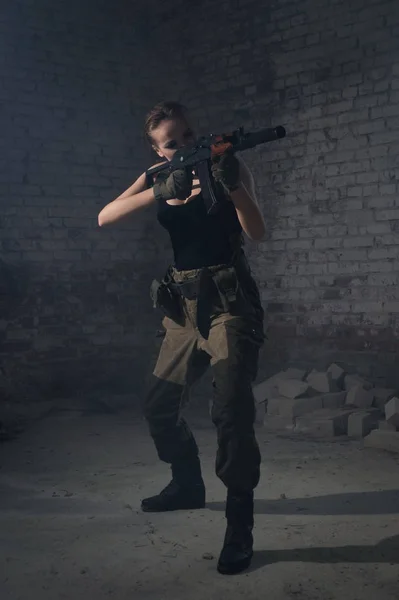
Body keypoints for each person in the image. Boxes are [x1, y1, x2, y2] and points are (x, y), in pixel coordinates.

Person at [98, 101, 266, 575]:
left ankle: (239, 524)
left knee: (231, 411)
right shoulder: (155, 174)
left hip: (229, 303)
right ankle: (187, 484)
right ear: (156, 148)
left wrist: (232, 185)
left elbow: (258, 232)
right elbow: (105, 217)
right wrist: (158, 189)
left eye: (188, 135)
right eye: (172, 141)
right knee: (158, 404)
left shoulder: (223, 166)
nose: (185, 145)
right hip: (182, 309)